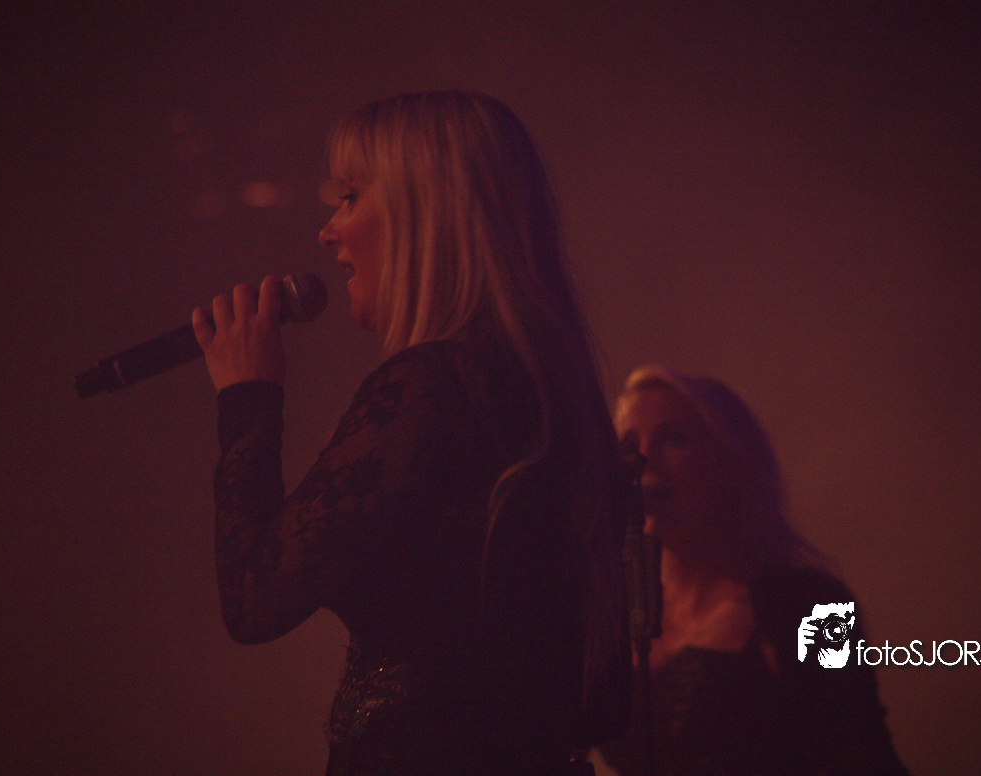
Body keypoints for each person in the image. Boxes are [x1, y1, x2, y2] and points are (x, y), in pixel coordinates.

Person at [192, 91, 630, 776]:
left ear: (426, 211)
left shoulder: (430, 387)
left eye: (349, 198)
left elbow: (254, 599)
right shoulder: (555, 394)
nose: (327, 232)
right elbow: (600, 701)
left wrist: (248, 397)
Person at [596, 366, 909, 775]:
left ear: (731, 462)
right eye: (628, 445)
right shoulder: (615, 607)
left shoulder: (814, 606)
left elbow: (863, 757)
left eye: (674, 438)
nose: (644, 460)